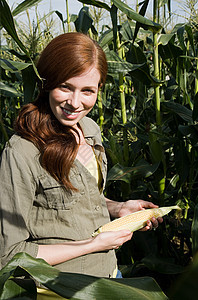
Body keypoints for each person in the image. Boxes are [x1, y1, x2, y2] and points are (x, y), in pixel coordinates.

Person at [0, 32, 162, 278]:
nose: (75, 103)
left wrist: (118, 208)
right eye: (65, 87)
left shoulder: (89, 130)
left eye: (87, 91)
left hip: (108, 274)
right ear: (46, 82)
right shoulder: (23, 150)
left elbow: (80, 199)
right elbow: (9, 255)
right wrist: (94, 244)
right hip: (60, 288)